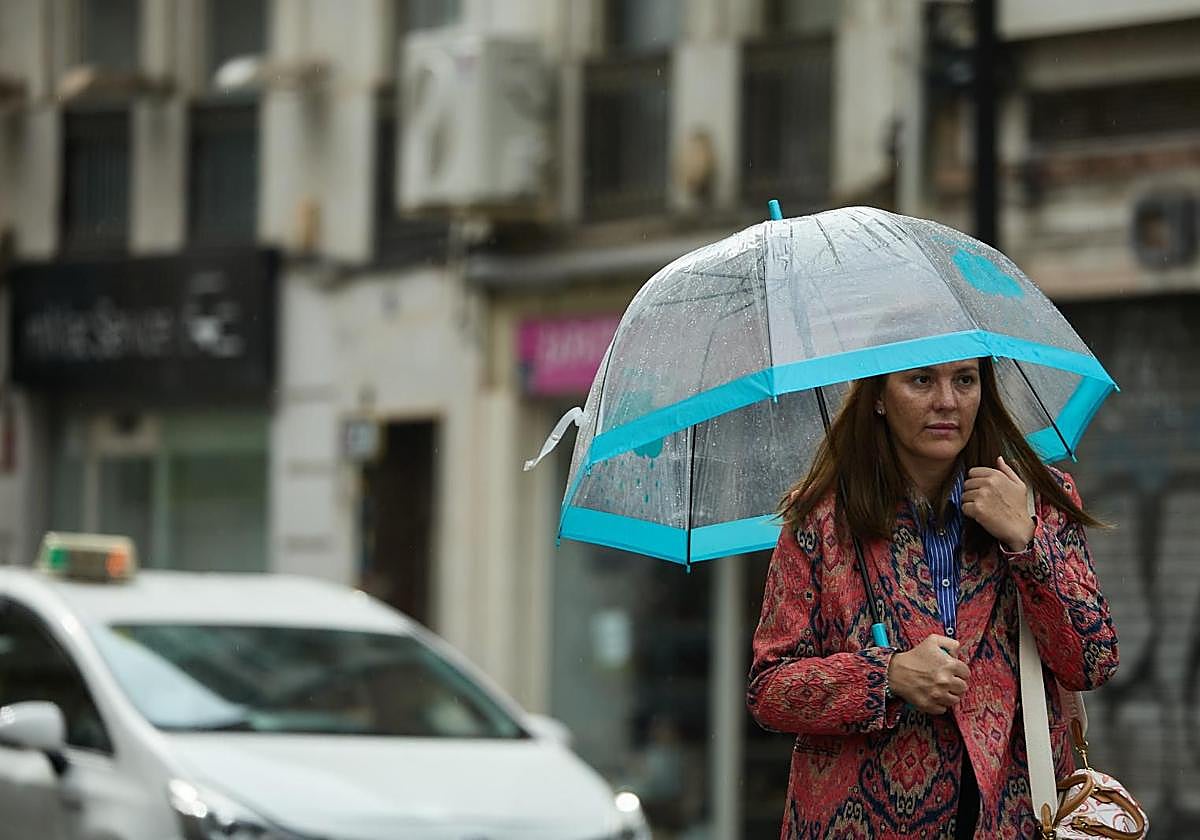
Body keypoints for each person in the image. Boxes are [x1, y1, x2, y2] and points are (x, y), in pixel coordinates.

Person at [746, 357, 1119, 839]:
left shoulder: (1035, 500)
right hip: (858, 822)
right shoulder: (820, 519)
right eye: (921, 380)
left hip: (1017, 818)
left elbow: (1093, 661)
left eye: (965, 380)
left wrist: (1026, 541)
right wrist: (887, 676)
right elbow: (770, 690)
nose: (947, 401)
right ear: (878, 396)